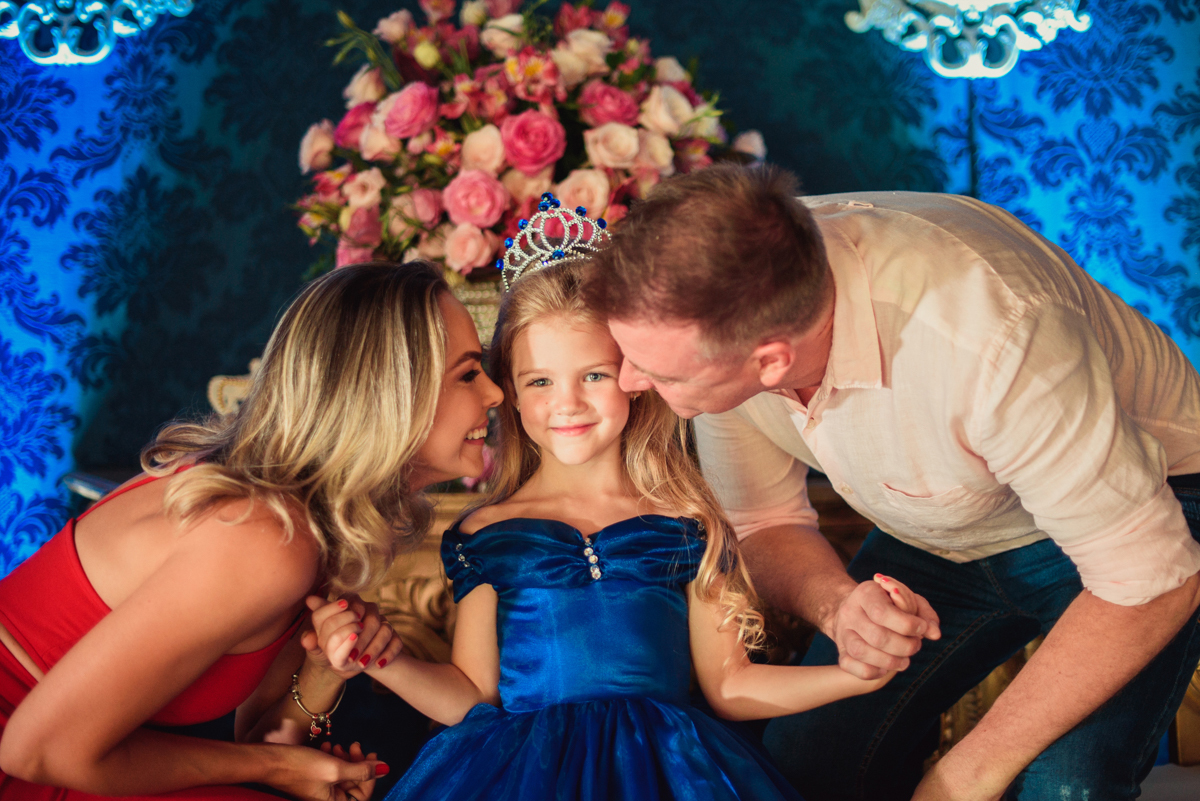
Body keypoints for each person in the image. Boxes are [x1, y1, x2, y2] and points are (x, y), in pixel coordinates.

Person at [582, 163, 1200, 801]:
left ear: (771, 360)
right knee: (804, 761)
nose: (628, 382)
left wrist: (962, 777)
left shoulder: (990, 340)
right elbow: (763, 522)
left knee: (1061, 786)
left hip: (1151, 507)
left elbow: (1149, 577)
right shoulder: (725, 300)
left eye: (661, 373)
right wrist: (837, 605)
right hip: (946, 527)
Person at [305, 203, 908, 800]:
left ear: (635, 377)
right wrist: (386, 661)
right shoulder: (485, 534)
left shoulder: (688, 523)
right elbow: (472, 696)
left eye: (594, 375)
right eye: (540, 381)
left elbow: (729, 686)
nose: (567, 403)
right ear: (509, 391)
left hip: (672, 775)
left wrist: (851, 675)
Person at [0, 260, 504, 800]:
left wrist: (323, 671)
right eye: (468, 374)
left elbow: (259, 736)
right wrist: (277, 770)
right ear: (389, 397)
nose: (496, 394)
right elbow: (36, 750)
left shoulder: (314, 516)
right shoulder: (262, 537)